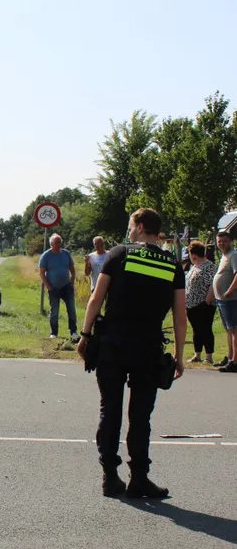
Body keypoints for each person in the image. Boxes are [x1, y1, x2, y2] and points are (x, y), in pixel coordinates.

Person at [77, 208, 186, 499]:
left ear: (139, 227)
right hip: (148, 348)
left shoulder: (118, 254)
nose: (129, 231)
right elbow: (179, 314)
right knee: (140, 415)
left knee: (110, 409)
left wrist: (85, 335)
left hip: (113, 344)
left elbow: (96, 299)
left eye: (130, 226)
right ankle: (139, 478)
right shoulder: (172, 265)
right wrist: (178, 354)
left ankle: (110, 477)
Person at [39, 233, 77, 339]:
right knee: (54, 312)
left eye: (60, 242)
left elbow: (73, 271)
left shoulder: (66, 254)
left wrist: (72, 282)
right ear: (51, 244)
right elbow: (42, 274)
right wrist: (49, 287)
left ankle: (73, 331)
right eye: (56, 243)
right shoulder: (46, 256)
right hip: (53, 288)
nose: (59, 245)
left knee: (71, 310)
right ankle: (54, 333)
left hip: (66, 287)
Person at [185, 241, 216, 365]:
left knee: (206, 328)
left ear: (194, 254)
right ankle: (197, 354)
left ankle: (209, 356)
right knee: (196, 329)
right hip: (191, 304)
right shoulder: (194, 267)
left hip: (204, 303)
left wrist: (208, 299)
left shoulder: (209, 266)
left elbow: (213, 283)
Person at [214, 231, 237, 372]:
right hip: (221, 300)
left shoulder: (233, 255)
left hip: (231, 299)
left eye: (225, 241)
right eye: (219, 241)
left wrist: (229, 291)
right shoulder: (224, 256)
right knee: (229, 330)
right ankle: (229, 357)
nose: (222, 243)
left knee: (234, 330)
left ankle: (235, 361)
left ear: (231, 241)